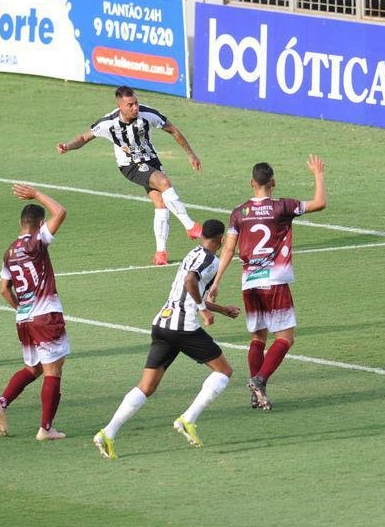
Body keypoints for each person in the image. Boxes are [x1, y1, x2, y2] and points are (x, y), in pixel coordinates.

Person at [93, 219, 240, 460]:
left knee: (146, 386)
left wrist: (222, 309)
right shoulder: (211, 260)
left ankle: (107, 433)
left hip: (163, 323)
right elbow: (190, 282)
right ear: (221, 240)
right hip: (183, 327)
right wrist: (204, 309)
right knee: (223, 372)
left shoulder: (192, 252)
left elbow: (190, 291)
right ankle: (188, 419)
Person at [207, 156, 327, 410]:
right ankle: (260, 380)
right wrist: (317, 174)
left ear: (252, 183)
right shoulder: (283, 207)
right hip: (275, 281)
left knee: (257, 338)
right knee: (285, 337)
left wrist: (216, 282)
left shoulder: (239, 212)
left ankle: (255, 392)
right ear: (272, 181)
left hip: (250, 283)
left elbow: (228, 250)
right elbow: (320, 203)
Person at [54, 85, 203, 265]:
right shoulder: (108, 123)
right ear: (120, 106)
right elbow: (84, 138)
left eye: (136, 103)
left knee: (161, 203)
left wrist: (190, 154)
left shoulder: (147, 114)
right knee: (164, 182)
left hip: (151, 160)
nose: (135, 108)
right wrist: (68, 146)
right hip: (129, 165)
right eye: (130, 105)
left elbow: (173, 130)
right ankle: (190, 226)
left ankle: (161, 253)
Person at [0, 184, 71, 441]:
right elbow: (61, 212)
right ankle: (46, 428)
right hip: (46, 316)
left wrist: (21, 308)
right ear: (40, 223)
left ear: (20, 223)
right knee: (52, 371)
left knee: (33, 368)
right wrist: (36, 194)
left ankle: (1, 403)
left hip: (23, 318)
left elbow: (3, 289)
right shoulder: (37, 242)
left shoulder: (9, 252)